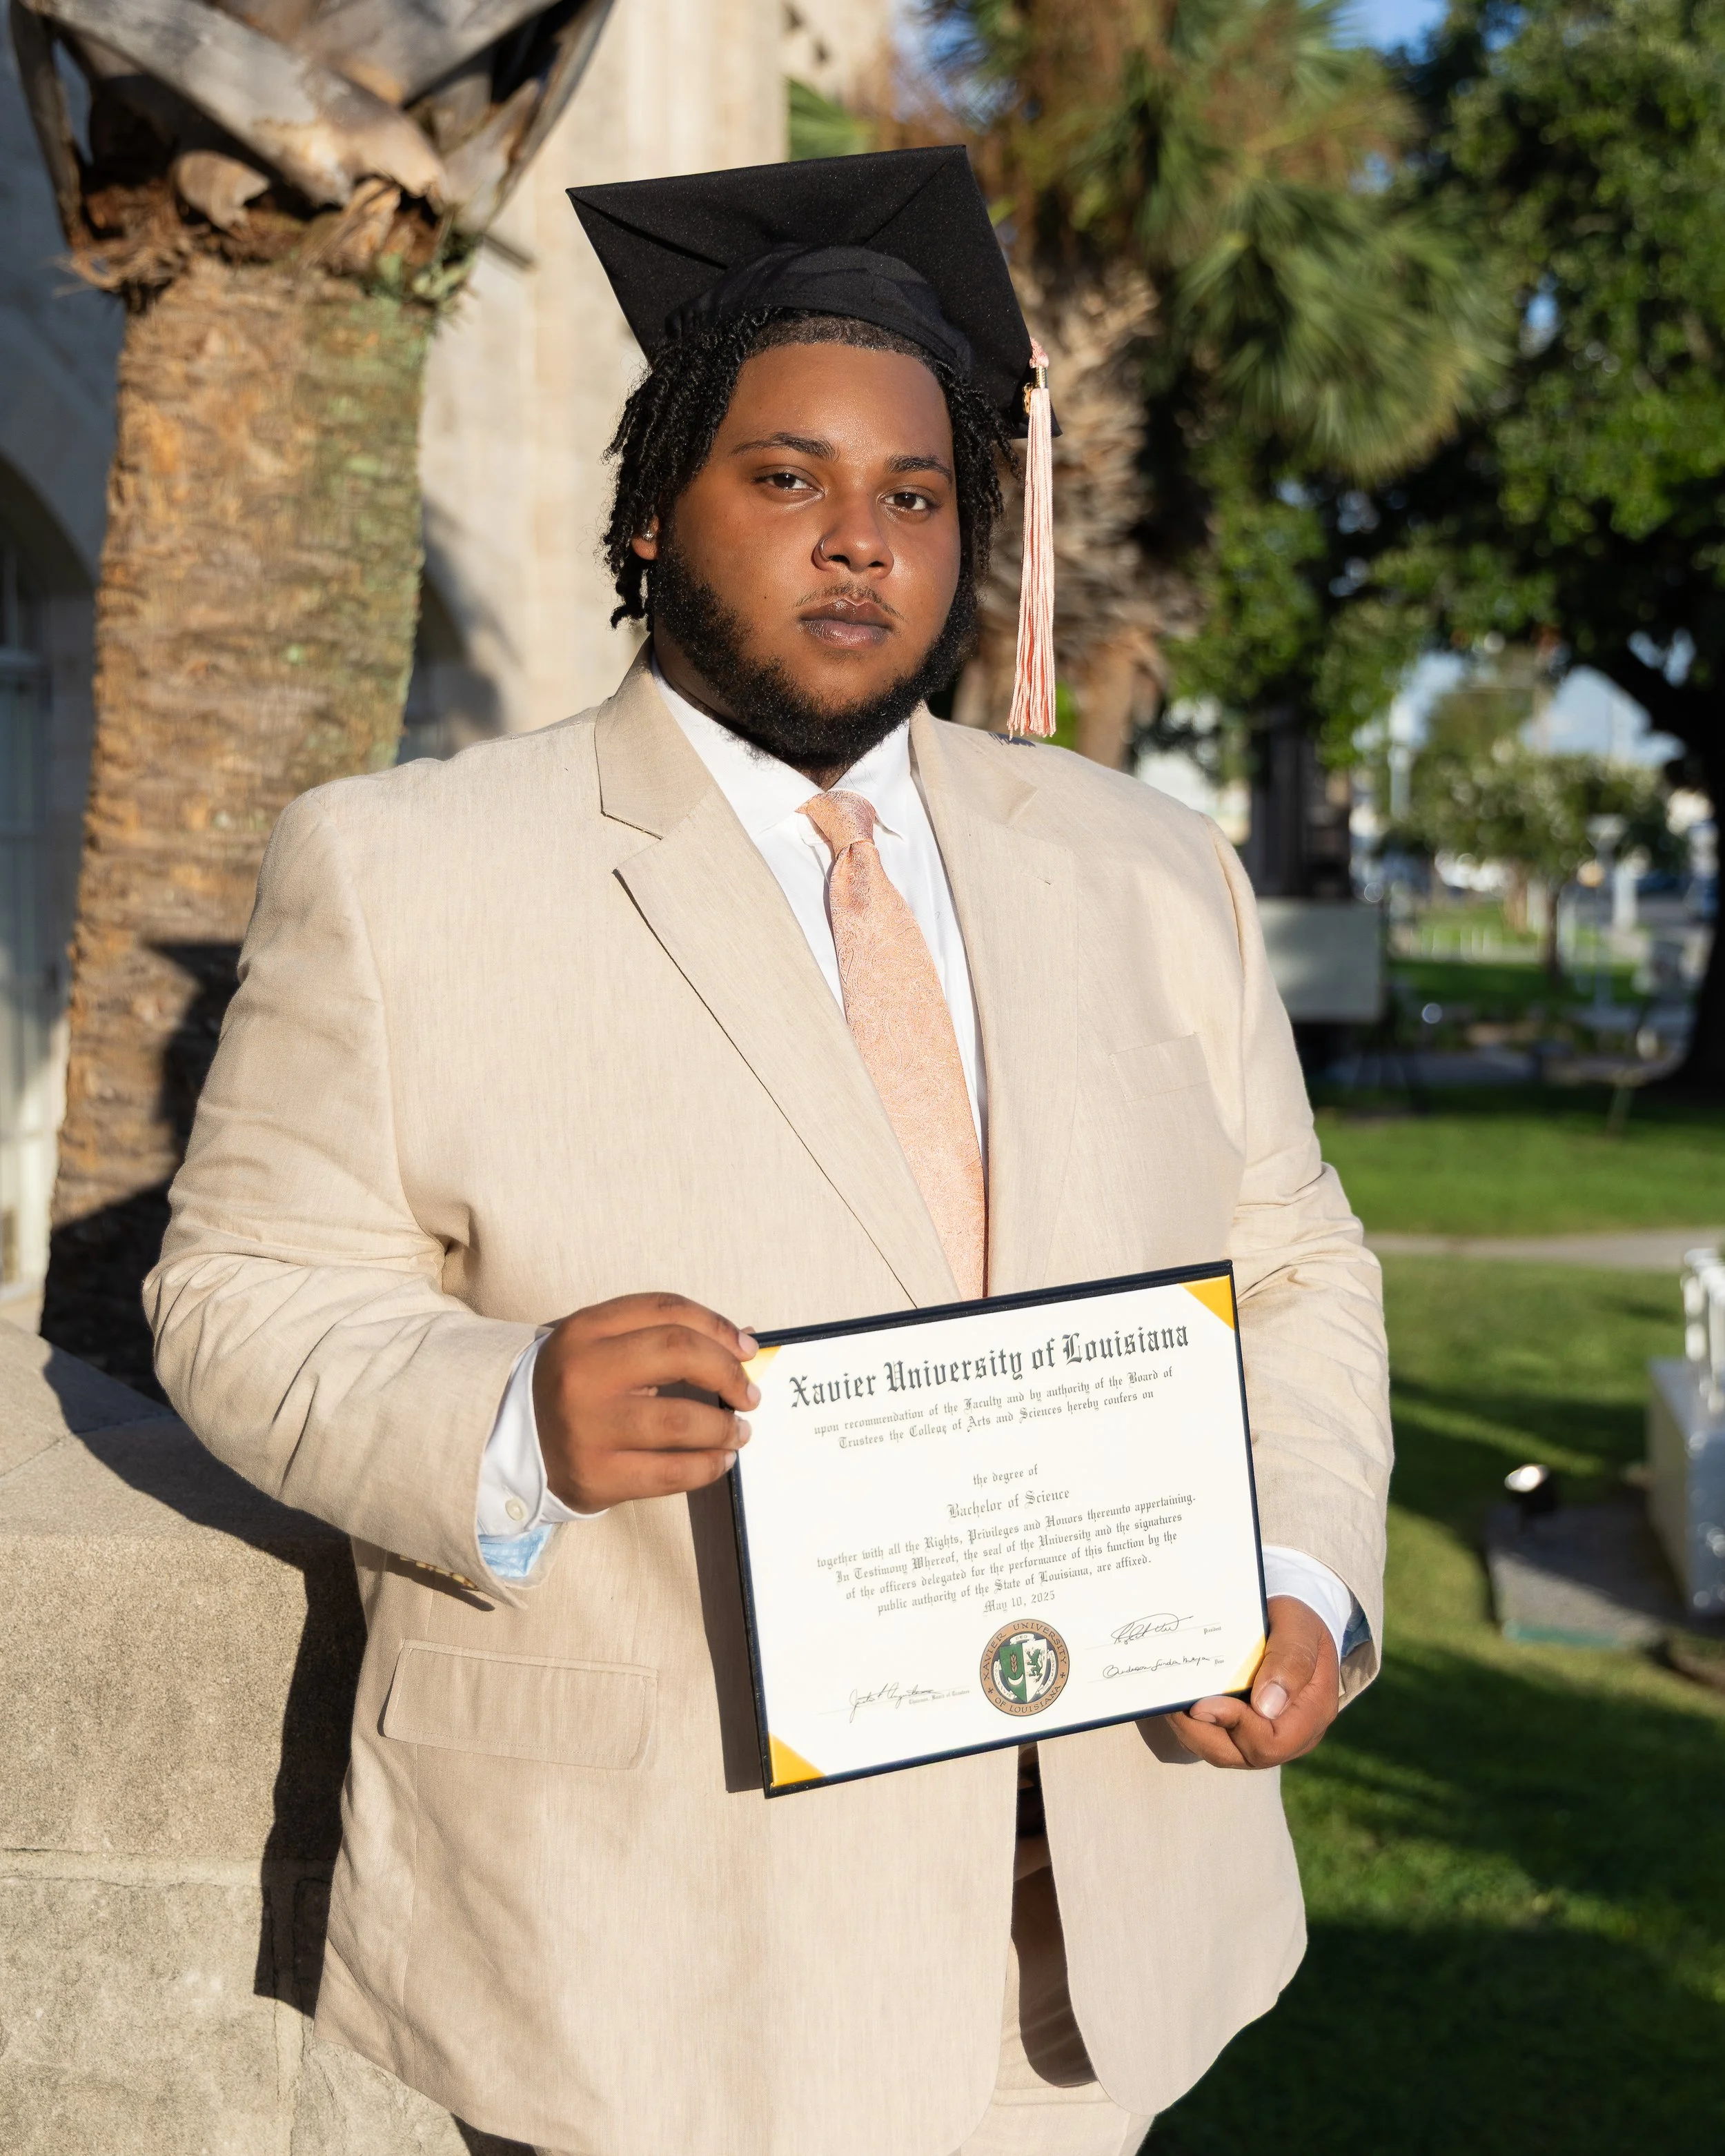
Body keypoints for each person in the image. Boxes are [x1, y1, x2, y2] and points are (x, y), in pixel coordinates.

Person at [146, 146, 1390, 2156]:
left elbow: (1298, 1259)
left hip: (1093, 1918)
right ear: (652, 511)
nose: (857, 546)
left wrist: (1302, 1572)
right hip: (653, 1943)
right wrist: (503, 1408)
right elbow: (238, 1292)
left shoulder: (1153, 873)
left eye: (912, 496)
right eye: (786, 476)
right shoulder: (408, 870)